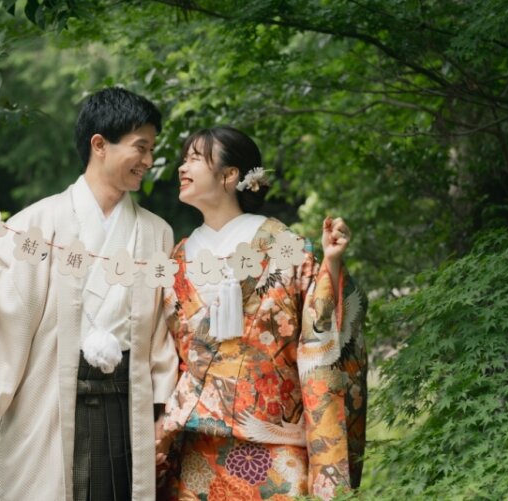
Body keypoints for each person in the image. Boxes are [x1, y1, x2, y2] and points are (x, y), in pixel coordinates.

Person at [0, 87, 178, 500]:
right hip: (49, 402)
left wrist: (161, 414)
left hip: (127, 406)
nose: (149, 161)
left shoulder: (157, 233)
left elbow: (160, 336)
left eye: (151, 149)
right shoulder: (38, 223)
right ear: (99, 144)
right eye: (141, 147)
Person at [155, 126, 367, 500]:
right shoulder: (178, 256)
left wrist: (331, 266)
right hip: (196, 446)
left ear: (229, 175)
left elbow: (321, 335)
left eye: (195, 158)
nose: (182, 168)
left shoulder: (286, 248)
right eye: (183, 159)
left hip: (275, 444)